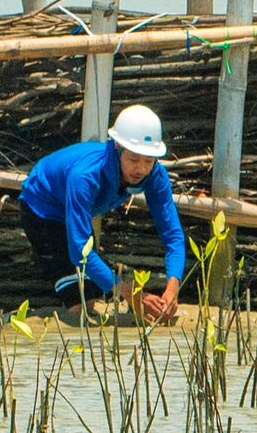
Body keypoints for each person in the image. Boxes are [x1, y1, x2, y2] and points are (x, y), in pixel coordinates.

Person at [17, 103, 184, 321]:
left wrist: (172, 289)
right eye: (134, 159)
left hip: (74, 212)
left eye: (148, 161)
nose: (141, 170)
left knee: (93, 292)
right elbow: (79, 250)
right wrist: (130, 294)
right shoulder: (85, 176)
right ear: (117, 148)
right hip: (42, 209)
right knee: (82, 304)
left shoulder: (155, 175)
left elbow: (173, 236)